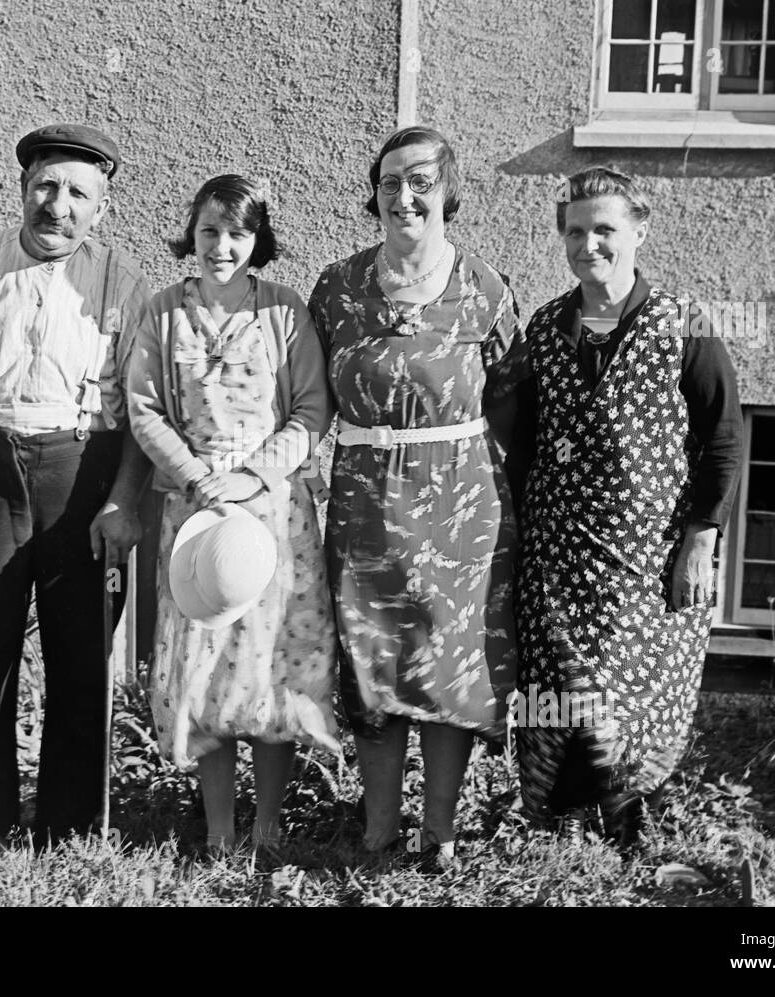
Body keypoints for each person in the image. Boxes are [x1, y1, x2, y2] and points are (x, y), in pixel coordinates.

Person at [0, 124, 151, 852]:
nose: (59, 205)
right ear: (22, 188)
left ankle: (70, 830)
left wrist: (123, 500)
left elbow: (143, 415)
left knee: (82, 661)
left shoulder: (122, 281)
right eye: (46, 186)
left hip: (85, 476)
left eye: (79, 193)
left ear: (101, 208)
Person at [308, 127, 526, 866]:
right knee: (373, 664)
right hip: (365, 506)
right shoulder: (336, 287)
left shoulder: (485, 290)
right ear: (374, 193)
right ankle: (378, 827)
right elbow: (307, 399)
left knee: (448, 668)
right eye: (391, 181)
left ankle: (440, 829)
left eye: (422, 181)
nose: (405, 195)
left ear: (448, 193)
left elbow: (513, 402)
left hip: (462, 510)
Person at [514, 166, 743, 844]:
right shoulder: (547, 327)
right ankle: (557, 833)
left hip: (645, 559)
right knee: (556, 692)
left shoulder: (683, 324)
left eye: (605, 229)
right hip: (558, 553)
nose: (590, 244)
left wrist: (703, 536)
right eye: (577, 231)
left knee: (622, 695)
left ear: (638, 230)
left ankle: (625, 831)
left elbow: (723, 436)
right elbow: (528, 438)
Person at [128, 175, 338, 854]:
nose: (222, 245)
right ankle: (219, 829)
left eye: (237, 233)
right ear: (192, 231)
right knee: (208, 666)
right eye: (210, 230)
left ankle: (269, 825)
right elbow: (143, 407)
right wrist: (197, 476)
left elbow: (311, 409)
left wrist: (251, 476)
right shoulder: (163, 312)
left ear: (258, 240)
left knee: (270, 666)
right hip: (194, 512)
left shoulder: (283, 311)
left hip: (272, 513)